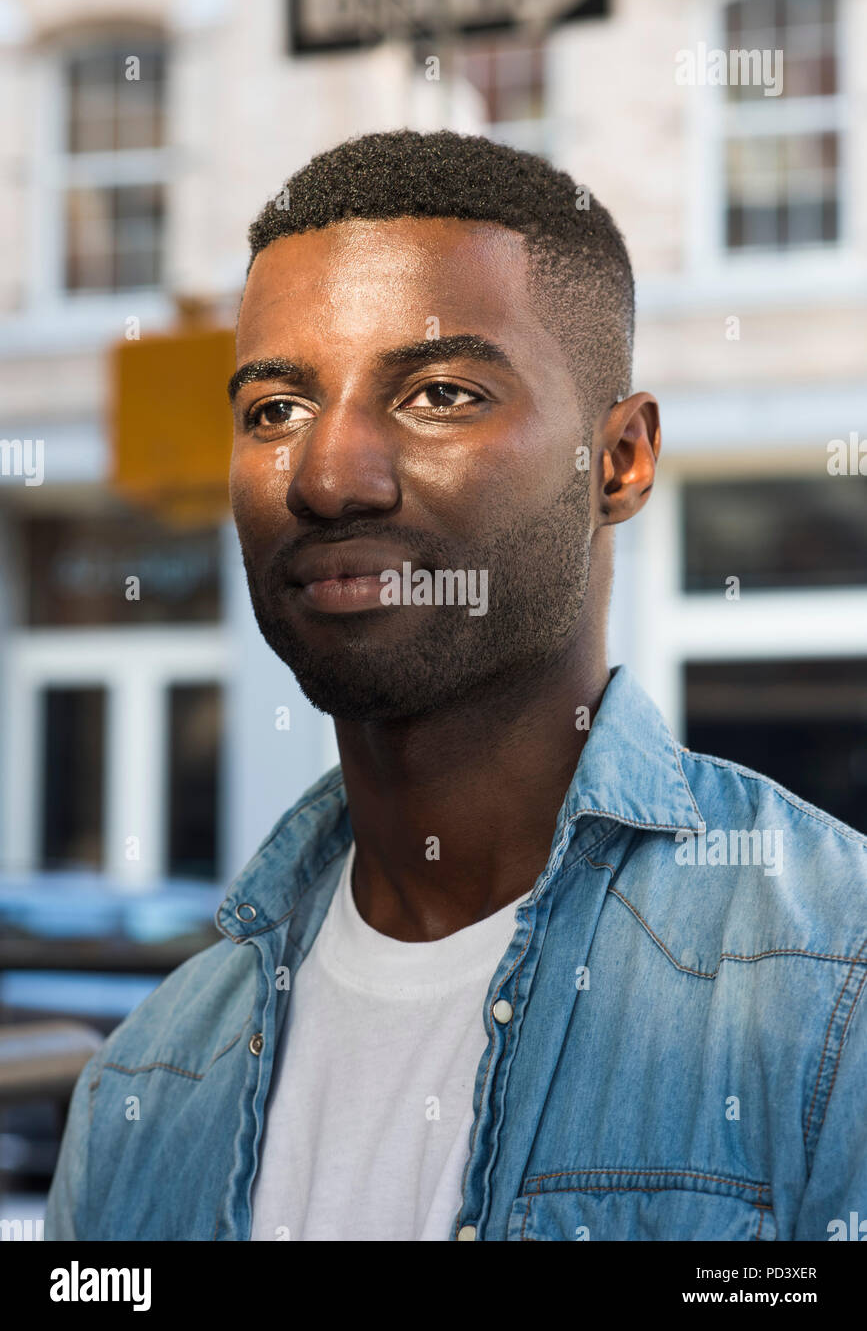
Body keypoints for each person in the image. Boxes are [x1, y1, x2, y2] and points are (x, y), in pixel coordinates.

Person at [46, 130, 866, 1242]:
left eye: (439, 392)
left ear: (618, 460)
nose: (329, 476)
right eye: (275, 409)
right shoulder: (142, 1092)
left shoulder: (835, 991)